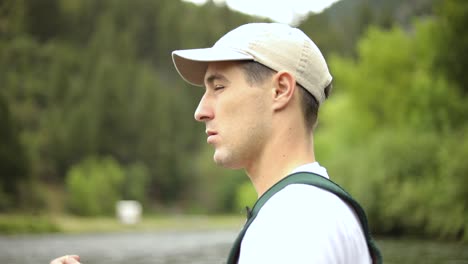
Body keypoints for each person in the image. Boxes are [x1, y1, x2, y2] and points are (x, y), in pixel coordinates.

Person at [50, 22, 381, 264]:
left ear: (279, 90)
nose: (200, 111)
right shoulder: (319, 210)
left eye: (218, 87)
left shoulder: (292, 223)